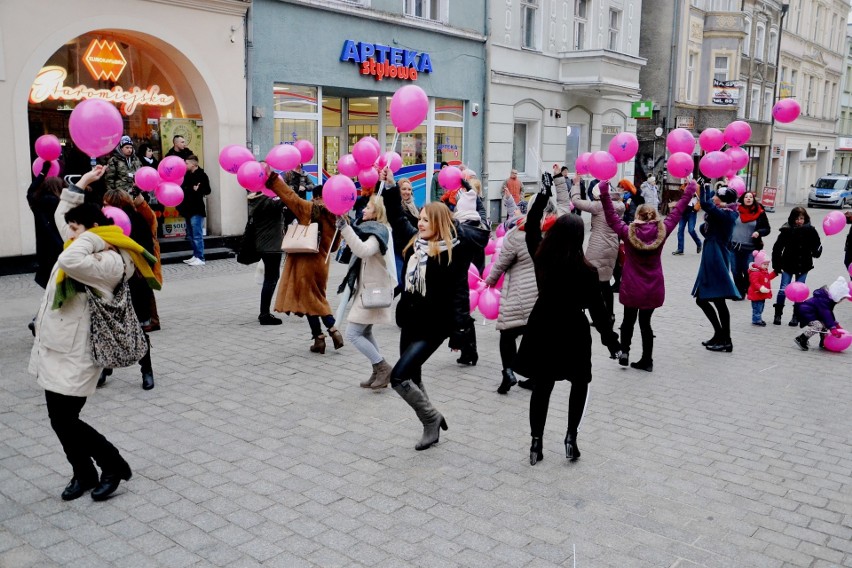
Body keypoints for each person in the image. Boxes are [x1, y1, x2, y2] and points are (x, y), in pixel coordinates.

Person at [32, 166, 158, 501]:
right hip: (55, 347)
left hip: (78, 352)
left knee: (66, 419)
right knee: (59, 420)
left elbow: (71, 259)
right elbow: (64, 217)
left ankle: (112, 464)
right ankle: (83, 472)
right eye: (71, 230)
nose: (69, 234)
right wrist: (82, 185)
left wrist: (94, 234)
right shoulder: (82, 245)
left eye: (76, 230)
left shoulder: (107, 263)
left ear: (94, 233)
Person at [514, 180, 620, 465]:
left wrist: (543, 195)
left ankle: (536, 442)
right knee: (579, 383)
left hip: (543, 325)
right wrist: (613, 342)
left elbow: (533, 225)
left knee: (542, 386)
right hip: (574, 329)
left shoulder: (541, 258)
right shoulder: (587, 271)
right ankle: (571, 437)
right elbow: (599, 313)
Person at [382, 168, 487, 451]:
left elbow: (459, 295)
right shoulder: (413, 241)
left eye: (427, 220)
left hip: (433, 327)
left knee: (399, 376)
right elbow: (395, 216)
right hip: (410, 321)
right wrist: (391, 186)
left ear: (439, 222)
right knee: (413, 376)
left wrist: (460, 333)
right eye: (421, 218)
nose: (421, 222)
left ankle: (431, 419)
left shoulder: (452, 252)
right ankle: (431, 422)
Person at [600, 179, 696, 371]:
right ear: (654, 216)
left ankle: (624, 352)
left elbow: (611, 217)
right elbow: (677, 213)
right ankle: (647, 360)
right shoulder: (663, 230)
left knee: (628, 321)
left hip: (632, 286)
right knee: (646, 323)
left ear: (637, 216)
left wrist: (604, 192)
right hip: (653, 286)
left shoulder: (628, 232)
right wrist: (690, 190)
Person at [265, 168, 344, 353]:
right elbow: (333, 247)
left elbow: (290, 197)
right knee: (311, 299)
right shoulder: (338, 216)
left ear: (318, 197)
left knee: (313, 299)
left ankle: (332, 328)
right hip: (323, 264)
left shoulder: (310, 209)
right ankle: (318, 338)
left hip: (306, 264)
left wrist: (273, 178)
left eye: (315, 196)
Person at [483, 196, 545, 394]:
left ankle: (508, 373)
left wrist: (490, 281)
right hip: (539, 292)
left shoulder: (518, 234)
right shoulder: (547, 231)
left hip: (519, 292)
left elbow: (501, 262)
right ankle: (535, 377)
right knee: (533, 336)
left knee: (507, 334)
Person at [98, 189, 159, 390]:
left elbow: (147, 251)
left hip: (134, 282)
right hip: (111, 282)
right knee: (108, 328)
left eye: (107, 203)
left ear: (118, 205)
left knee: (139, 330)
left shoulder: (136, 221)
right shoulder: (103, 223)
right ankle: (105, 369)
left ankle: (146, 370)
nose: (104, 207)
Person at [336, 195, 397, 389]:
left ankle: (383, 367)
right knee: (366, 331)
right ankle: (377, 371)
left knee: (353, 333)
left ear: (377, 212)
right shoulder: (372, 230)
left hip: (372, 292)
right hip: (367, 290)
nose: (363, 210)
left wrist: (345, 229)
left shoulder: (379, 232)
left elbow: (362, 250)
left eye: (368, 208)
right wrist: (347, 225)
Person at [570, 174, 626, 322]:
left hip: (597, 247)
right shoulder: (619, 206)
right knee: (605, 282)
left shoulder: (598, 206)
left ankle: (594, 315)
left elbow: (575, 201)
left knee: (589, 281)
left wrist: (576, 184)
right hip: (612, 247)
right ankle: (610, 315)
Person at [692, 185, 740, 352]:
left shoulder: (728, 215)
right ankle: (720, 334)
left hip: (716, 257)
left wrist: (702, 189)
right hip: (711, 255)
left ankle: (726, 340)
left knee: (718, 300)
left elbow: (707, 205)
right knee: (703, 299)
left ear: (724, 200)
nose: (713, 198)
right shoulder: (721, 214)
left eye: (716, 196)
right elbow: (708, 216)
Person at [452, 185, 490, 366]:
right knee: (465, 314)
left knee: (460, 314)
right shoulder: (481, 227)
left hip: (461, 277)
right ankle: (469, 351)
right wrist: (473, 193)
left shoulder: (460, 231)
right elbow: (480, 209)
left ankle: (465, 349)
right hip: (477, 275)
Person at [771, 207, 823, 326]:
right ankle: (778, 314)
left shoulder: (811, 231)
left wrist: (817, 252)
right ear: (792, 219)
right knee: (783, 289)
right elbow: (777, 248)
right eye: (797, 219)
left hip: (803, 265)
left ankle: (796, 316)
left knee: (799, 292)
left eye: (801, 218)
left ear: (805, 219)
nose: (799, 221)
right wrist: (777, 265)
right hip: (787, 264)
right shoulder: (786, 230)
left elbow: (817, 245)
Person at [247, 191, 285, 325]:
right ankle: (264, 314)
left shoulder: (257, 201)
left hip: (265, 245)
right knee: (271, 279)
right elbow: (286, 199)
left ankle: (264, 312)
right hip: (272, 246)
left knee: (270, 278)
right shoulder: (268, 202)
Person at [728, 191, 771, 298]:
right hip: (734, 246)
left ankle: (745, 288)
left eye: (750, 197)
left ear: (753, 199)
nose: (748, 199)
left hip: (751, 248)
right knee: (735, 270)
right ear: (742, 199)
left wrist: (759, 232)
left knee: (748, 271)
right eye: (746, 197)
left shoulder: (759, 211)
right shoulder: (736, 210)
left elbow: (767, 228)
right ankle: (739, 293)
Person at [793, 277, 850, 350]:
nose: (841, 301)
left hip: (812, 313)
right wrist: (833, 328)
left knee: (825, 323)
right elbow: (826, 314)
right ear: (837, 295)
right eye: (842, 298)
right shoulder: (824, 300)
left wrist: (836, 324)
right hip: (805, 312)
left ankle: (823, 341)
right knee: (818, 325)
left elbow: (829, 315)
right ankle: (801, 338)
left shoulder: (828, 300)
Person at [178, 155, 211, 266]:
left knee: (197, 235)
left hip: (197, 209)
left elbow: (208, 190)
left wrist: (199, 189)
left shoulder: (202, 175)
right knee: (191, 235)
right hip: (187, 208)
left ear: (194, 164)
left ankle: (201, 258)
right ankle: (195, 255)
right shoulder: (186, 175)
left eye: (187, 163)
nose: (185, 165)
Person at [672, 180, 703, 256]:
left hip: (692, 212)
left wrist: (696, 207)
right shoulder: (683, 187)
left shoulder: (697, 187)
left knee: (691, 230)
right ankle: (680, 249)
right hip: (683, 212)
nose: (686, 179)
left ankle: (699, 243)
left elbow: (701, 199)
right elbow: (679, 197)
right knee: (680, 230)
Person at [746, 250, 777, 327]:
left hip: (761, 294)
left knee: (761, 307)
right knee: (757, 308)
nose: (766, 266)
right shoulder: (755, 272)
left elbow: (768, 278)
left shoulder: (764, 271)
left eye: (767, 264)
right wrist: (760, 288)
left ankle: (758, 318)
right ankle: (756, 320)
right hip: (756, 293)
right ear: (759, 263)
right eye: (764, 264)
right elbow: (754, 283)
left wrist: (775, 273)